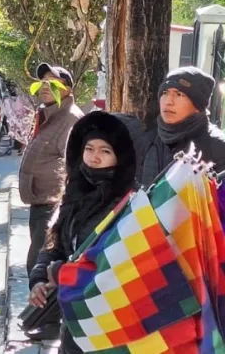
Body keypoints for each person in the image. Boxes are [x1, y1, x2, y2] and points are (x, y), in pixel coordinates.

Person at [28, 112, 138, 352]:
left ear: (120, 157)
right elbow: (56, 245)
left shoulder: (129, 205)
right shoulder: (75, 192)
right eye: (89, 149)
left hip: (108, 323)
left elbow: (113, 265)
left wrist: (62, 273)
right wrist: (38, 279)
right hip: (73, 320)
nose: (94, 158)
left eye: (105, 151)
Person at [19, 63, 83, 286]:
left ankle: (44, 318)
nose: (46, 87)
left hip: (52, 203)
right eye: (43, 82)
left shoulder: (71, 119)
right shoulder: (49, 114)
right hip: (39, 200)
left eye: (53, 83)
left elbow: (74, 165)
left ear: (68, 89)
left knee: (38, 262)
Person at [137, 66, 225, 186]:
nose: (168, 101)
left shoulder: (219, 147)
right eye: (165, 93)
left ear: (199, 106)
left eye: (179, 94)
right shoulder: (147, 139)